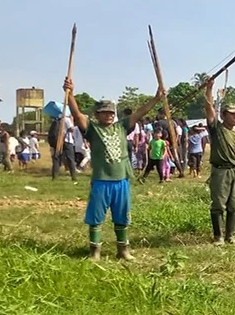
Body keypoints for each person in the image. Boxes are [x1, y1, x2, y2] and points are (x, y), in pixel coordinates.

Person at [65, 78, 162, 261]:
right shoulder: (93, 129)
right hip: (102, 180)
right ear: (97, 114)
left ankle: (123, 250)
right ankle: (95, 252)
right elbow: (78, 116)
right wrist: (70, 94)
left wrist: (156, 99)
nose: (109, 115)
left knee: (122, 217)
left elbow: (140, 113)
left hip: (121, 180)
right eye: (104, 112)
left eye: (111, 112)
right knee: (96, 217)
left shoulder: (121, 127)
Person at [204, 80, 235, 245]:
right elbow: (209, 109)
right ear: (223, 115)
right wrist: (209, 89)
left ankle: (230, 235)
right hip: (220, 172)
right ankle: (218, 237)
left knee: (234, 205)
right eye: (232, 114)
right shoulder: (217, 129)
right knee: (218, 205)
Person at [51, 114, 78, 183]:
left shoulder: (58, 120)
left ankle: (55, 176)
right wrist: (72, 121)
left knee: (57, 158)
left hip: (59, 141)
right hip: (67, 141)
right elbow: (72, 129)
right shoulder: (67, 119)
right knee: (70, 159)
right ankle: (74, 176)